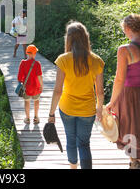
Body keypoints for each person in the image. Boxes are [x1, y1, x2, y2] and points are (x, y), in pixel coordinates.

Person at [48, 21, 105, 169]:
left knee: (71, 140)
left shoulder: (63, 60)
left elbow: (57, 90)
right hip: (88, 110)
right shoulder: (96, 61)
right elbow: (99, 91)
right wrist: (99, 109)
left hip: (67, 108)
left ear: (68, 39)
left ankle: (73, 167)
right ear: (85, 38)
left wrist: (51, 113)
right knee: (84, 144)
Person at [106, 14, 140, 169]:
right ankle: (136, 162)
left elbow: (119, 80)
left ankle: (134, 162)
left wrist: (112, 102)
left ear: (128, 28)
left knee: (128, 126)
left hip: (130, 94)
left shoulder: (124, 50)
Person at [17, 45, 43, 124]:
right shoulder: (37, 64)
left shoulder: (23, 63)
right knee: (36, 101)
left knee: (27, 102)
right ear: (33, 54)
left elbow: (19, 77)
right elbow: (39, 77)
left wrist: (21, 82)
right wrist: (41, 86)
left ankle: (27, 118)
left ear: (27, 53)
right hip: (36, 87)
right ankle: (36, 117)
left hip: (26, 88)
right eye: (35, 53)